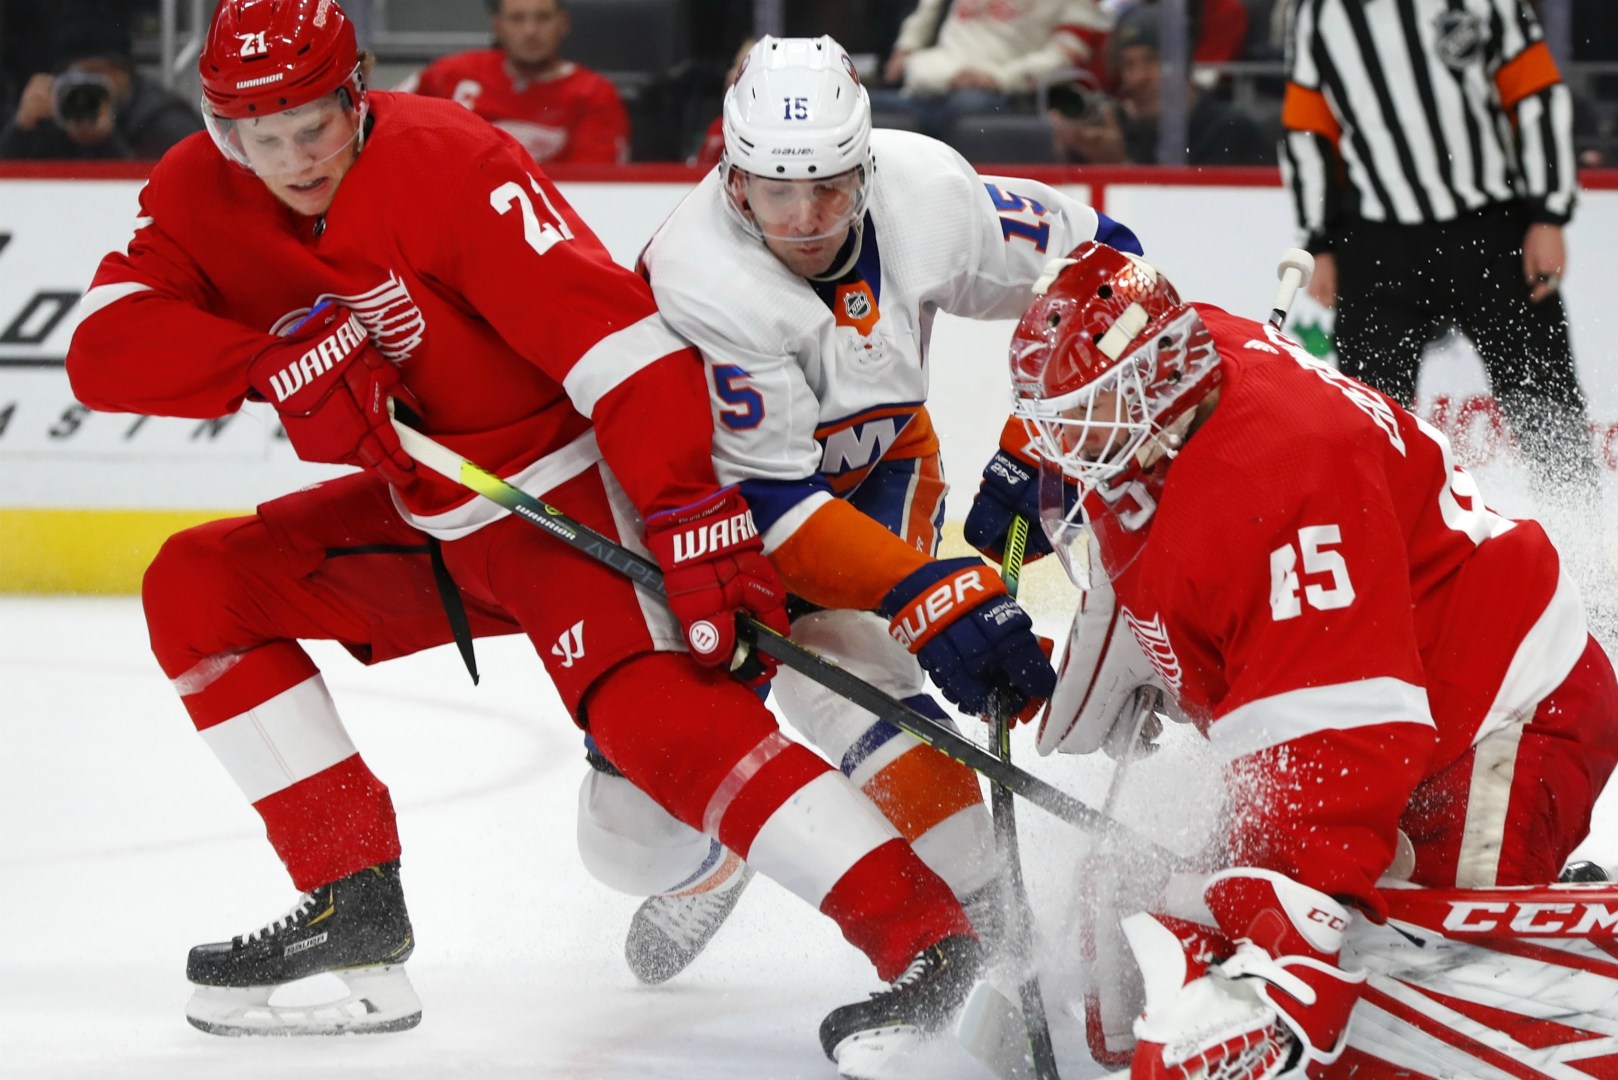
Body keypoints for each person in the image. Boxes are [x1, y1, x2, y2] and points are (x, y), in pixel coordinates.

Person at [62, 0, 980, 1057]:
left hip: (565, 495)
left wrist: (686, 511)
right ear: (221, 129)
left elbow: (623, 349)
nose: (293, 159)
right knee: (198, 586)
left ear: (357, 92)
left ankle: (927, 940)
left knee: (648, 765)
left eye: (313, 127)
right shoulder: (199, 188)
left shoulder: (450, 161)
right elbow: (101, 345)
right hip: (429, 512)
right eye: (259, 139)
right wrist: (260, 365)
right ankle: (353, 906)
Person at [1002, 241, 1618, 1078]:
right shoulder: (1189, 360)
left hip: (1509, 718)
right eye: (1055, 426)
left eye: (1082, 422)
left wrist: (1283, 939)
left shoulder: (1278, 486)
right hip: (1420, 695)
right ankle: (1538, 908)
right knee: (1239, 904)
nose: (1064, 454)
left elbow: (1337, 755)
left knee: (1416, 991)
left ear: (1159, 381)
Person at [575, 33, 1140, 1010]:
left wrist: (1041, 442)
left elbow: (1112, 268)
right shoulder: (698, 275)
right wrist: (929, 590)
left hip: (879, 467)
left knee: (858, 685)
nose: (804, 220)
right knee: (626, 842)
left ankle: (992, 928)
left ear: (867, 168)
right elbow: (771, 506)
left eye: (830, 189)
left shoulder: (930, 193)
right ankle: (713, 858)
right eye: (774, 191)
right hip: (713, 516)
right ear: (733, 179)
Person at [1280, 0, 1618, 656]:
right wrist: (1320, 238)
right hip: (1377, 242)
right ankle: (1380, 592)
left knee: (1546, 406)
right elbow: (1309, 125)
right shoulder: (1323, 11)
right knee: (1369, 429)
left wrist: (1548, 212)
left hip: (1490, 228)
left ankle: (1590, 580)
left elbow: (1535, 94)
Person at [400, 0, 628, 165]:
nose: (530, 31)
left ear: (563, 22)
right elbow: (389, 121)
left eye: (543, 18)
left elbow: (594, 181)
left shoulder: (594, 93)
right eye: (517, 19)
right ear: (498, 26)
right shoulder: (450, 73)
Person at [1051, 4, 1275, 167]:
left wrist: (1121, 165)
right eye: (1128, 65)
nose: (1138, 78)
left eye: (1151, 61)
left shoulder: (1227, 130)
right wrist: (1066, 150)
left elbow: (1198, 210)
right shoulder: (1114, 127)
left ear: (1183, 63)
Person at [872, 0, 1109, 142]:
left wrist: (998, 78)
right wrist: (907, 46)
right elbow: (929, 7)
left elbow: (1066, 55)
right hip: (932, 81)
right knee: (865, 104)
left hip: (999, 93)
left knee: (965, 108)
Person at [0, 16, 199, 160]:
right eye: (78, 73)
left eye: (100, 73)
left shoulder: (162, 121)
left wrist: (106, 143)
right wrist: (20, 128)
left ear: (126, 73)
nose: (87, 84)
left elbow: (151, 188)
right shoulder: (52, 112)